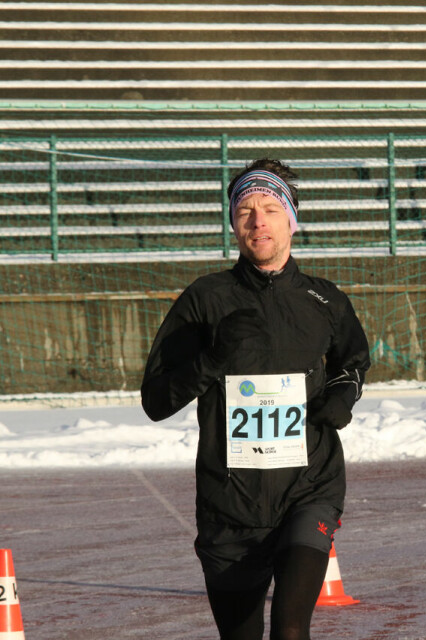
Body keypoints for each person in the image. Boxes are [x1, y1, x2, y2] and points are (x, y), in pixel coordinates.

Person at [141, 158, 371, 640]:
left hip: (309, 488)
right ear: (233, 224)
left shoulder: (324, 300)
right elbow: (156, 399)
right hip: (231, 503)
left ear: (292, 219)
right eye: (245, 209)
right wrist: (210, 358)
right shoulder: (205, 300)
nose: (258, 220)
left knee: (290, 629)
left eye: (269, 207)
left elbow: (354, 360)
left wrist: (342, 396)